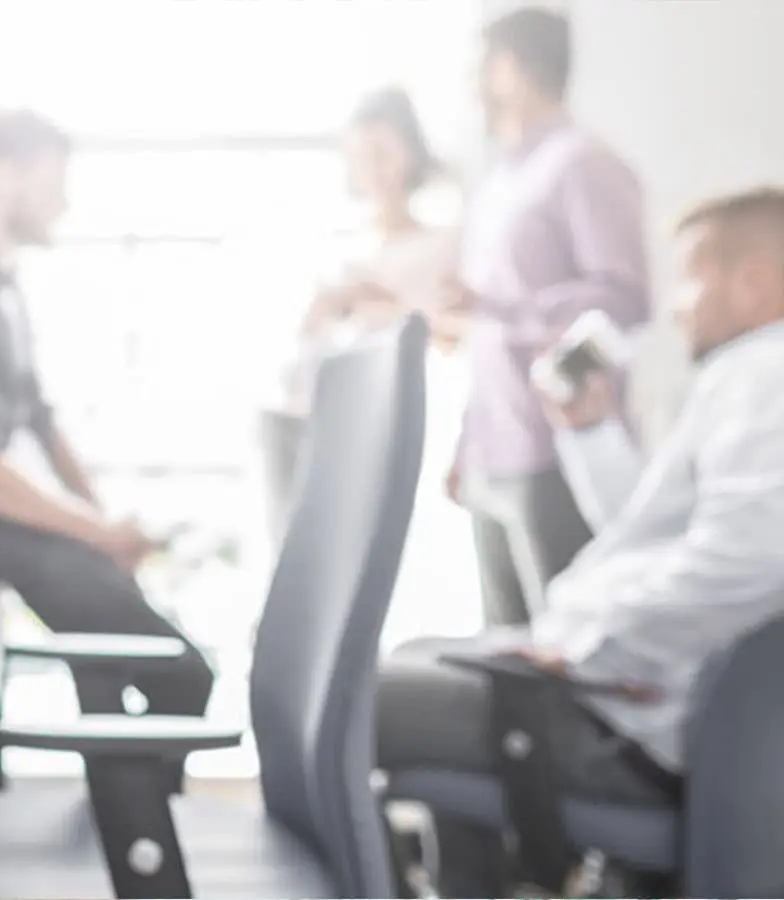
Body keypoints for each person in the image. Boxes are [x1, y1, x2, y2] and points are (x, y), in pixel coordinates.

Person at [377, 186, 784, 897]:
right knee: (413, 662)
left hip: (623, 728)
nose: (676, 304)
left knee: (351, 699)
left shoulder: (768, 374)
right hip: (620, 703)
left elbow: (752, 558)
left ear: (755, 281)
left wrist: (580, 647)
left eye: (693, 275)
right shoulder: (745, 380)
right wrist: (589, 430)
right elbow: (652, 536)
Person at [0, 112, 214, 739]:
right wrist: (98, 533)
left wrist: (105, 528)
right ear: (3, 177)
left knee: (124, 645)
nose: (64, 202)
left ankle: (119, 819)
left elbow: (40, 421)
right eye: (54, 183)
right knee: (185, 673)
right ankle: (134, 831)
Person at [447, 7, 651, 627]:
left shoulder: (582, 164)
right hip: (494, 453)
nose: (469, 85)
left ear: (510, 69)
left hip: (557, 458)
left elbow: (623, 299)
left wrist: (498, 307)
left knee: (561, 657)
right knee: (500, 663)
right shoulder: (500, 180)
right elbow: (484, 332)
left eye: (477, 68)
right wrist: (466, 443)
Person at [280, 86, 480, 646]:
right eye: (361, 154)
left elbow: (454, 339)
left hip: (403, 428)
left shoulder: (442, 245)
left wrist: (385, 303)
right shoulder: (338, 246)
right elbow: (302, 354)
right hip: (326, 432)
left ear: (411, 153)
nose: (374, 168)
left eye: (384, 151)